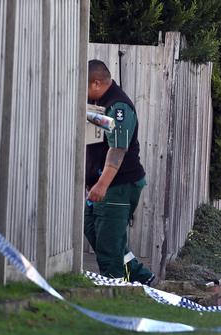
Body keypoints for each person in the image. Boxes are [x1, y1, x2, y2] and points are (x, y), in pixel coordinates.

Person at [85, 59, 155, 285]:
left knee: (108, 243)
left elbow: (118, 148)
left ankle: (114, 288)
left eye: (83, 86)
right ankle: (142, 277)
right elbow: (102, 129)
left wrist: (102, 185)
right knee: (95, 231)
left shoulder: (119, 106)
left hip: (119, 185)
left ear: (96, 83)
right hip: (102, 184)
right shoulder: (100, 103)